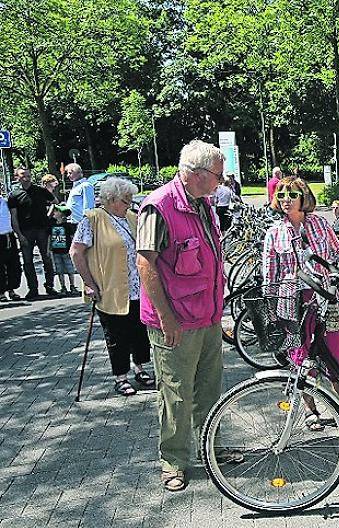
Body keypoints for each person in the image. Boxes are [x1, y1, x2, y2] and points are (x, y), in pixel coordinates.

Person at [136, 140, 226, 492]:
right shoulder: (158, 207)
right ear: (195, 174)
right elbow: (145, 264)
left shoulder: (204, 204)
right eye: (217, 175)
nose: (221, 181)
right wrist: (166, 317)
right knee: (175, 394)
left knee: (209, 389)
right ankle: (173, 461)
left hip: (207, 316)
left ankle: (210, 450)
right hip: (174, 322)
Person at [263, 176, 339, 415]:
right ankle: (310, 410)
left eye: (292, 195)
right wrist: (271, 310)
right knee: (300, 356)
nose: (286, 200)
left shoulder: (320, 224)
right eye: (281, 195)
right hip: (292, 303)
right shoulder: (274, 232)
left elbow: (338, 253)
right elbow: (270, 276)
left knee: (336, 352)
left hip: (325, 298)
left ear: (303, 198)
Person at [71, 177, 154, 396]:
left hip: (138, 288)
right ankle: (120, 377)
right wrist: (89, 283)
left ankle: (141, 368)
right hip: (110, 288)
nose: (130, 203)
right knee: (117, 335)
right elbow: (76, 252)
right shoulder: (92, 220)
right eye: (126, 200)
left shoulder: (132, 218)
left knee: (140, 332)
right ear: (112, 199)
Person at [7, 168, 58, 299]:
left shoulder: (40, 190)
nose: (27, 178)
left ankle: (50, 285)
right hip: (26, 231)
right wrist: (19, 234)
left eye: (28, 175)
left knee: (46, 258)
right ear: (17, 177)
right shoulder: (14, 195)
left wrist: (48, 215)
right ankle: (33, 288)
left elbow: (55, 201)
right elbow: (13, 216)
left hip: (42, 229)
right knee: (28, 261)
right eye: (23, 175)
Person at [48, 205, 78, 295]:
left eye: (56, 211)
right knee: (59, 270)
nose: (54, 212)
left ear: (62, 214)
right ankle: (63, 287)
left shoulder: (68, 226)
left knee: (70, 269)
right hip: (56, 251)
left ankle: (72, 286)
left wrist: (74, 248)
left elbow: (72, 238)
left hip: (66, 251)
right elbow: (50, 237)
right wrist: (48, 249)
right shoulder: (51, 224)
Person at [0, 184, 23, 301]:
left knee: (13, 264)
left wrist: (18, 234)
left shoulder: (5, 202)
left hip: (8, 235)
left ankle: (11, 290)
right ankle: (1, 292)